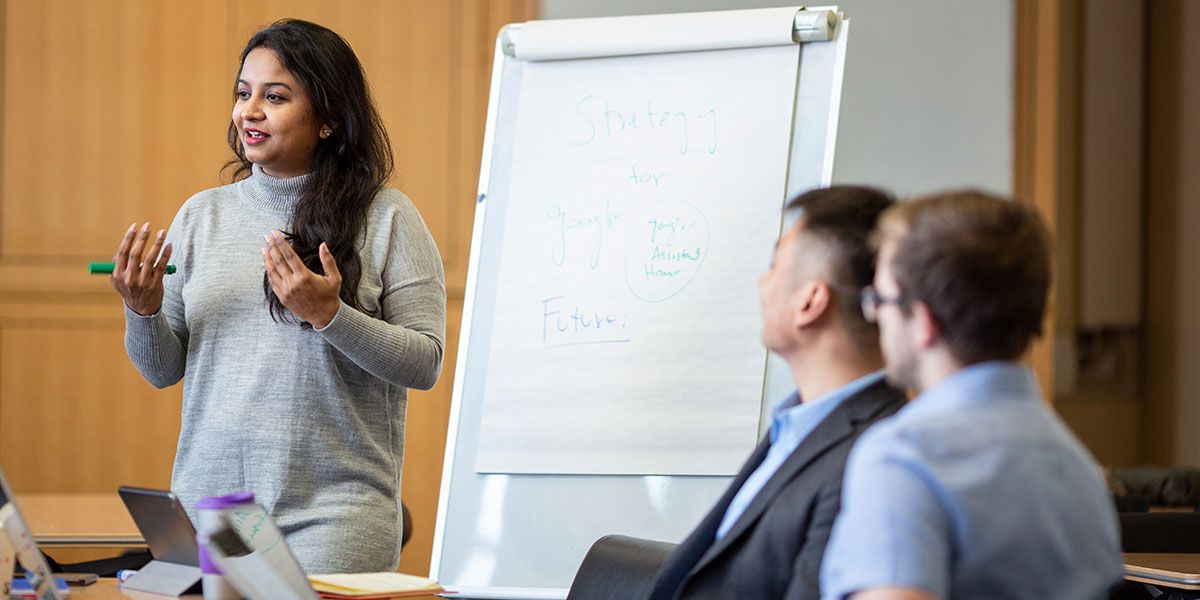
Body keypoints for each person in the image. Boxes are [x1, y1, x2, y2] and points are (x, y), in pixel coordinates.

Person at [107, 19, 445, 573]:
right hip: (216, 512)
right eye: (243, 94)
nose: (249, 111)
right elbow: (162, 371)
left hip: (334, 517)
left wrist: (330, 316)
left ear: (329, 120)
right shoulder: (201, 216)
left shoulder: (388, 217)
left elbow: (424, 362)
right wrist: (141, 311)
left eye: (275, 96)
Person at [820, 191, 1122, 599]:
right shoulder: (1079, 469)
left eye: (880, 300)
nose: (876, 318)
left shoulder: (904, 458)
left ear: (924, 322)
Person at [646, 186, 907, 600]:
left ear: (810, 301)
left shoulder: (876, 457)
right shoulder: (799, 425)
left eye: (774, 265)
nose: (761, 282)